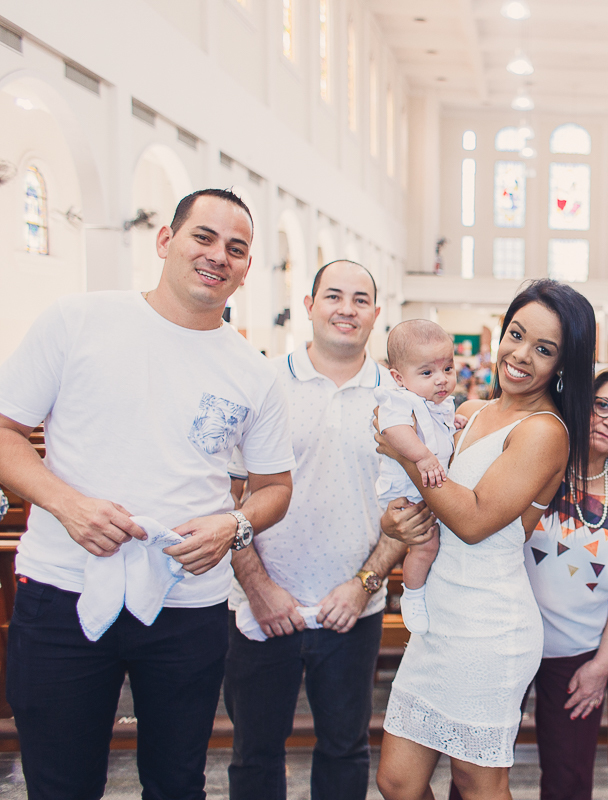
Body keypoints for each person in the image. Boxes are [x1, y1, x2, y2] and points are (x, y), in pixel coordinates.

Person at [0, 189, 296, 800]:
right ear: (166, 240)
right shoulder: (78, 319)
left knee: (178, 781)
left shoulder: (255, 372)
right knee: (60, 782)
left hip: (189, 605)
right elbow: (4, 434)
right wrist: (67, 503)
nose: (219, 256)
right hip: (64, 588)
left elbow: (274, 488)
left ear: (245, 270)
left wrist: (232, 527)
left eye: (237, 249)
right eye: (204, 237)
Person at [374, 279, 596, 800]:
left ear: (564, 363)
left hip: (489, 625)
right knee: (397, 782)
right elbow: (429, 500)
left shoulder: (545, 430)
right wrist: (395, 522)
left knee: (478, 783)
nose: (520, 355)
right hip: (440, 616)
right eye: (515, 334)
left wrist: (404, 449)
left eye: (544, 349)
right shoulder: (470, 411)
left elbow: (472, 522)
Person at [222, 260, 405, 800]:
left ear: (375, 313)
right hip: (260, 606)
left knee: (345, 749)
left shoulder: (396, 400)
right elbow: (227, 496)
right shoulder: (264, 383)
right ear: (309, 305)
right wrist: (258, 587)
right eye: (333, 296)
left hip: (351, 607)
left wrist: (363, 584)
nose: (345, 309)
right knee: (254, 754)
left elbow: (409, 511)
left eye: (359, 299)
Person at [521, 366, 608, 800]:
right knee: (476, 770)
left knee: (569, 781)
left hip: (576, 656)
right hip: (506, 640)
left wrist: (602, 667)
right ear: (582, 402)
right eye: (603, 405)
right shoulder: (536, 462)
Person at [374, 319, 460, 635]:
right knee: (425, 546)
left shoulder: (440, 403)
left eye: (448, 369)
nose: (441, 380)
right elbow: (392, 430)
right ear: (399, 377)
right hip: (404, 491)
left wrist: (455, 423)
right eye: (427, 373)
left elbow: (439, 427)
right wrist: (422, 456)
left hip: (426, 491)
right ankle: (413, 596)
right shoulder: (399, 400)